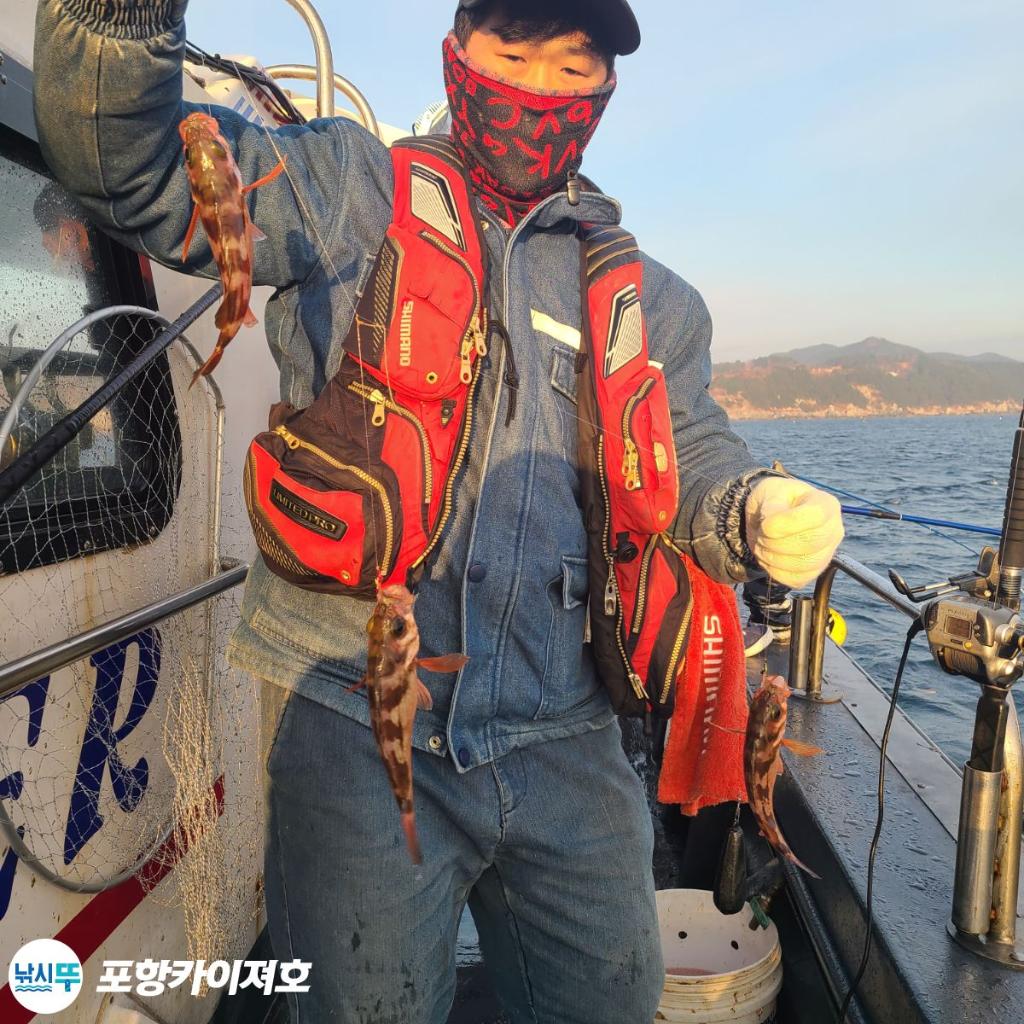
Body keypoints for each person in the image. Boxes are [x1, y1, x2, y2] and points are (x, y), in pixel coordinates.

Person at [34, 1, 844, 1020]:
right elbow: (132, 170)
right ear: (456, 57)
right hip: (351, 712)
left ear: (605, 88)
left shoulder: (656, 302)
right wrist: (116, 19)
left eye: (572, 65)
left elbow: (686, 453)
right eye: (512, 51)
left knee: (612, 997)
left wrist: (749, 506)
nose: (538, 87)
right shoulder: (347, 188)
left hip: (570, 735)